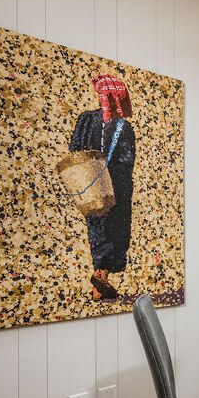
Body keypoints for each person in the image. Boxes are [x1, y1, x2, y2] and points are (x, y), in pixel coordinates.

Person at [69, 74, 136, 300]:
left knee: (98, 231)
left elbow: (75, 148)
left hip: (91, 184)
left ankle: (100, 283)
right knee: (116, 233)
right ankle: (101, 280)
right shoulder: (123, 127)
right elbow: (127, 161)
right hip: (116, 188)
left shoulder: (85, 120)